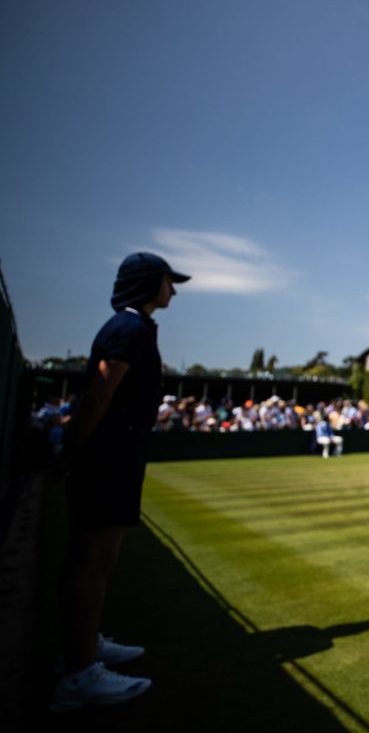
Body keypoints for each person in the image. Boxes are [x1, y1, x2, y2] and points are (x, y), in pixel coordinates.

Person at [51, 252, 189, 712]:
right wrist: (72, 448)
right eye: (170, 282)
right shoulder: (129, 330)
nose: (174, 290)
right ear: (151, 284)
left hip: (113, 455)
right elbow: (99, 396)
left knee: (95, 558)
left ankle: (84, 646)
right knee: (93, 558)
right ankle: (79, 673)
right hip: (107, 457)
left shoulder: (133, 327)